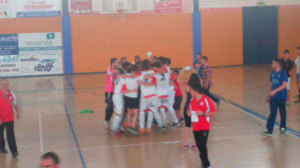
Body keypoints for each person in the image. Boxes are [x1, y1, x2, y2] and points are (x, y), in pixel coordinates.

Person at [188, 82, 217, 168]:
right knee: (199, 145)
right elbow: (188, 111)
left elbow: (214, 112)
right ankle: (204, 162)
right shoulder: (192, 101)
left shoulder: (206, 100)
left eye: (191, 91)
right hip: (195, 127)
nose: (190, 92)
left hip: (204, 127)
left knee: (202, 145)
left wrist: (203, 114)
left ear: (195, 91)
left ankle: (206, 164)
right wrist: (189, 113)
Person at [262, 59, 288, 136]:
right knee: (272, 113)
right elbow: (271, 85)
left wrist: (275, 91)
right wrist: (268, 95)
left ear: (277, 64)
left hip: (281, 97)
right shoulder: (273, 73)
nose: (271, 64)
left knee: (282, 112)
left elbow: (284, 85)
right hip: (273, 97)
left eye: (273, 63)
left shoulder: (283, 73)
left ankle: (283, 127)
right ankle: (269, 130)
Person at [138, 60, 163, 133]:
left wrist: (143, 83)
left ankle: (142, 128)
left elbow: (138, 81)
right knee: (152, 111)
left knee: (142, 112)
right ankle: (150, 127)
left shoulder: (140, 73)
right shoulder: (153, 71)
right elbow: (154, 82)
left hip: (144, 96)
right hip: (152, 94)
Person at [0, 79, 19, 157]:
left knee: (10, 135)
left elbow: (14, 104)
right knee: (0, 135)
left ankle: (14, 151)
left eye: (6, 84)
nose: (4, 86)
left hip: (10, 118)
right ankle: (2, 148)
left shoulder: (12, 93)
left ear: (8, 85)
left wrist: (17, 112)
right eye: (2, 84)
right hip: (0, 118)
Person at [183, 73, 199, 150]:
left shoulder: (188, 87)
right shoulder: (199, 88)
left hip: (187, 107)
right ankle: (195, 143)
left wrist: (183, 71)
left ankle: (185, 143)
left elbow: (179, 80)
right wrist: (194, 70)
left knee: (187, 126)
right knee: (195, 126)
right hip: (195, 108)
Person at [123, 63, 140, 134]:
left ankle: (129, 126)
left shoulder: (126, 76)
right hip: (133, 97)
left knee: (129, 112)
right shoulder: (139, 76)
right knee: (135, 112)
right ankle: (131, 127)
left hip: (127, 96)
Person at [110, 68, 126, 135]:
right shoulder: (122, 80)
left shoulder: (117, 79)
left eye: (117, 73)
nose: (116, 74)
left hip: (116, 96)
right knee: (119, 113)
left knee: (119, 113)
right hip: (118, 97)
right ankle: (114, 129)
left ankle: (117, 127)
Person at [104, 58, 118, 128]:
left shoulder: (117, 69)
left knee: (113, 107)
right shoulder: (109, 69)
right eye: (116, 62)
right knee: (109, 106)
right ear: (112, 63)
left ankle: (108, 119)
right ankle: (106, 120)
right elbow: (111, 73)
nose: (117, 64)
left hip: (116, 91)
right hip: (109, 91)